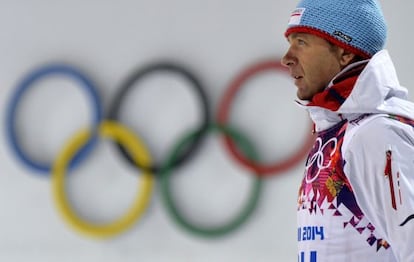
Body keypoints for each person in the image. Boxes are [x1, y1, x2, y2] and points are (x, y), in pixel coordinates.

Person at [281, 0, 414, 261]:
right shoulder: (335, 134)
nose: (286, 59)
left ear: (345, 52)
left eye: (301, 43)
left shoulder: (375, 135)